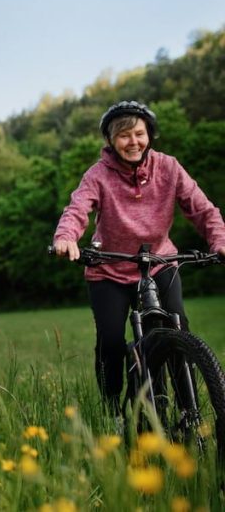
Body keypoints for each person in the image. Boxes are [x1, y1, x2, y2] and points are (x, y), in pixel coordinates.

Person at [52, 100, 225, 414]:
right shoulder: (98, 175)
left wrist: (220, 240)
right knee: (112, 342)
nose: (133, 142)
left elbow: (202, 209)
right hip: (110, 271)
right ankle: (112, 410)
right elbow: (77, 209)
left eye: (139, 134)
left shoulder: (169, 167)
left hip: (160, 263)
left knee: (178, 329)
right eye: (123, 136)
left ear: (150, 136)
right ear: (111, 141)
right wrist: (66, 237)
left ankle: (189, 411)